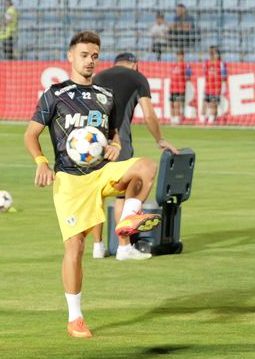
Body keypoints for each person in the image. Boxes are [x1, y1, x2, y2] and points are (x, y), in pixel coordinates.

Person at [24, 32, 163, 338]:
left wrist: (115, 146)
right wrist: (41, 162)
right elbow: (30, 134)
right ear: (70, 56)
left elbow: (113, 134)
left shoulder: (106, 95)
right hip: (70, 180)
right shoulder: (55, 94)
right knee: (75, 248)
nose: (90, 61)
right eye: (84, 55)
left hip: (101, 172)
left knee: (147, 166)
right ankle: (75, 318)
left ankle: (129, 218)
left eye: (95, 56)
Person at [89, 52, 178, 260]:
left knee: (95, 193)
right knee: (124, 193)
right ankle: (124, 247)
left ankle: (98, 247)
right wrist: (159, 139)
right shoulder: (138, 78)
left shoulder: (97, 77)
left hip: (91, 142)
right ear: (135, 65)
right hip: (119, 142)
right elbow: (149, 115)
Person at [201, 46, 226, 124]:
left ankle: (211, 120)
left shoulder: (220, 63)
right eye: (210, 52)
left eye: (213, 52)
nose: (211, 54)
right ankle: (202, 119)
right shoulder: (207, 63)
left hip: (216, 88)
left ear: (216, 53)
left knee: (214, 104)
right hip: (208, 87)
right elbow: (205, 73)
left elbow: (224, 76)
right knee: (204, 103)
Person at [167, 51, 191, 124]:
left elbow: (189, 75)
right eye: (178, 55)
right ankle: (172, 119)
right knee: (172, 104)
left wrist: (185, 77)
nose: (179, 57)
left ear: (183, 56)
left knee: (177, 104)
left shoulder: (185, 65)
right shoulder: (173, 64)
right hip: (172, 88)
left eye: (181, 55)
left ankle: (177, 119)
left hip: (180, 88)